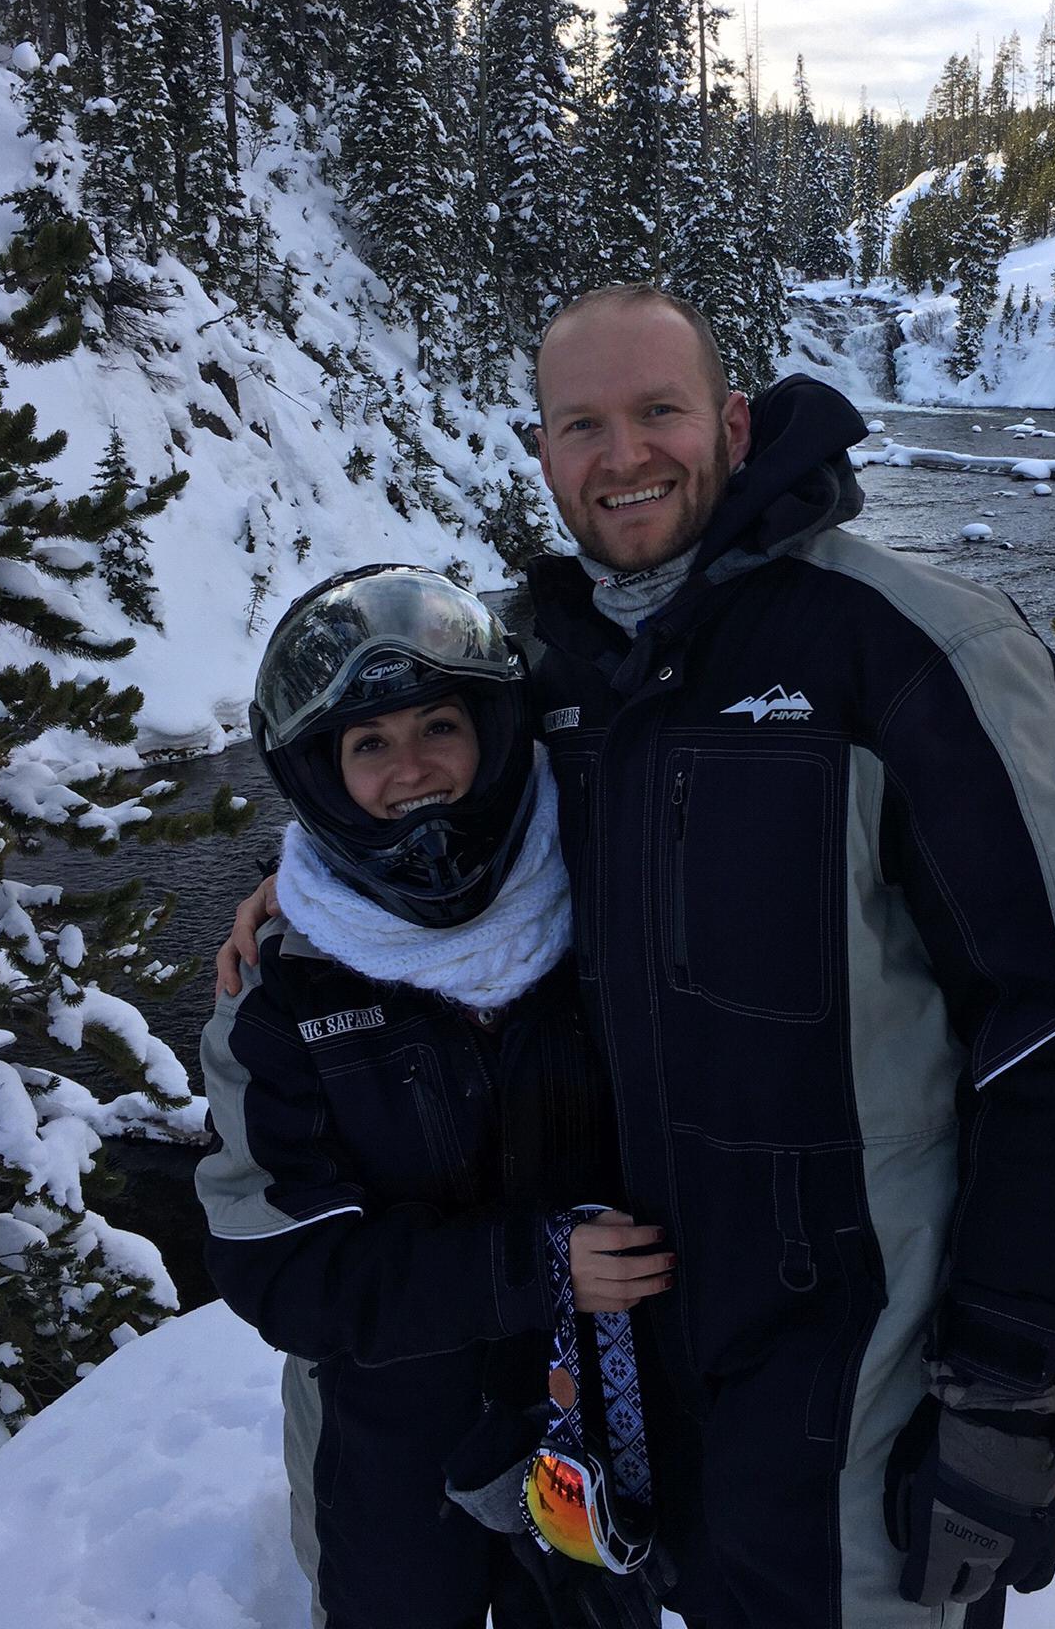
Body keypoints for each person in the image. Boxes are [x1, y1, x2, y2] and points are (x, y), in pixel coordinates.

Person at [222, 288, 1055, 1629]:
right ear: (545, 453)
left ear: (730, 422)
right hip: (639, 1365)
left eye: (659, 412)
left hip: (855, 1373)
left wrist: (1005, 1387)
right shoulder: (546, 668)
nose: (625, 456)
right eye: (583, 425)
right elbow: (410, 791)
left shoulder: (905, 651)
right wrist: (302, 885)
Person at [197, 565, 674, 1629]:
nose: (411, 769)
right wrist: (531, 1264)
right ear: (322, 770)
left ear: (494, 734)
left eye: (439, 726)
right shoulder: (280, 991)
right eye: (369, 744)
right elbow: (282, 1266)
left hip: (591, 1411)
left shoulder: (612, 896)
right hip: (388, 1440)